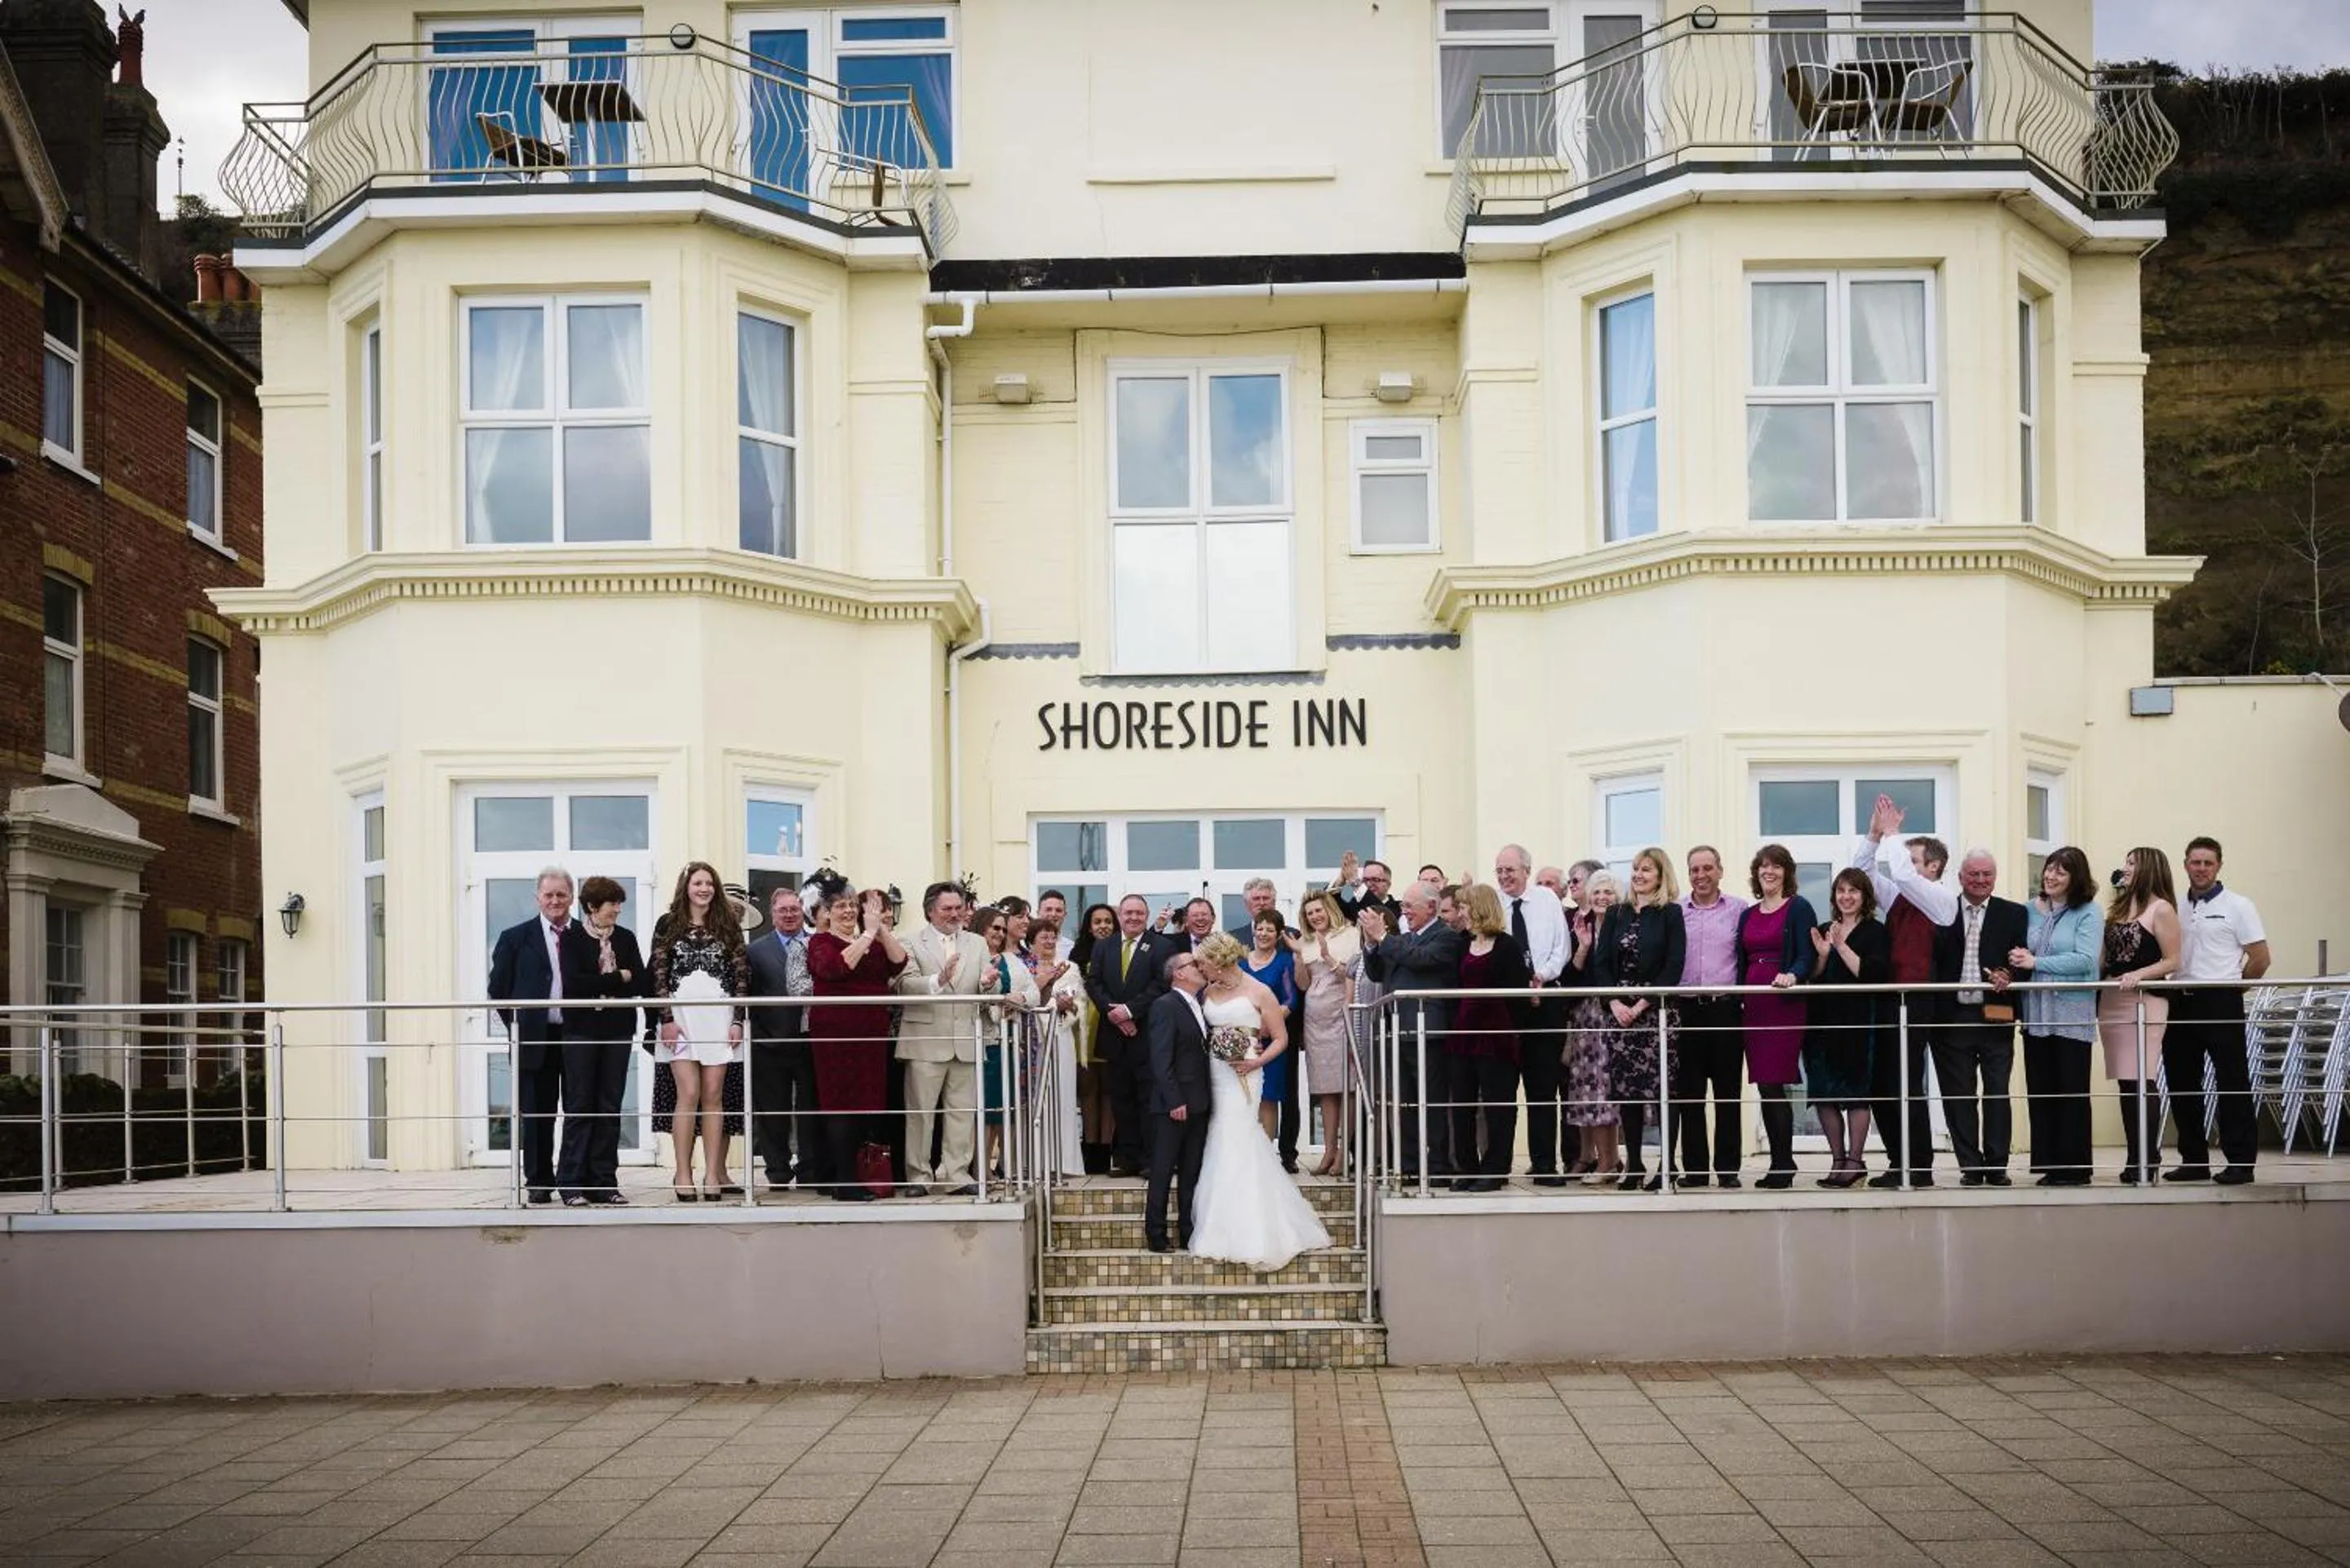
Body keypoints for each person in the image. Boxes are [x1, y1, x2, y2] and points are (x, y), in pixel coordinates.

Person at [1186, 933, 1332, 1269]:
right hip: (1214, 1071)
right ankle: (1220, 1218)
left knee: (1237, 1133)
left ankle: (1251, 1225)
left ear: (1219, 960)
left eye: (1203, 961)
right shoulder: (1208, 991)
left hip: (1247, 1073)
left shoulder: (1259, 991)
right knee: (1218, 1133)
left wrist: (1256, 1062)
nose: (1199, 967)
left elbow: (1281, 1038)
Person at [1851, 795, 1955, 1189]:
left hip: (1917, 999)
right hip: (1886, 999)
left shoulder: (1941, 900)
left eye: (1914, 861)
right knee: (1883, 1085)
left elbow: (1905, 878)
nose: (1905, 868)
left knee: (1908, 1084)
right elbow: (1862, 873)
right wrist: (1875, 835)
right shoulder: (1898, 898)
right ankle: (1899, 1161)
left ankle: (1919, 1166)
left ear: (1935, 867)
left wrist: (1894, 835)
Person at [2167, 836, 2270, 1185]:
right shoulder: (2173, 906)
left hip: (2220, 1000)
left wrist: (2234, 987)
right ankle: (2194, 1160)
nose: (2201, 869)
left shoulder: (2239, 905)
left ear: (2219, 866)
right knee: (2182, 1082)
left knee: (2232, 1081)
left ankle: (2241, 1161)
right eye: (2195, 862)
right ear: (2185, 865)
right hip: (2180, 1000)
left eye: (2208, 863)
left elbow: (2260, 958)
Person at [650, 862, 752, 1203]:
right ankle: (682, 1172)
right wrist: (664, 1018)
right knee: (689, 1093)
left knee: (713, 1094)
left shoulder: (727, 925)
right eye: (698, 883)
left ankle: (712, 1173)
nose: (704, 888)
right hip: (679, 1018)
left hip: (719, 1018)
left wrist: (738, 1020)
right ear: (686, 887)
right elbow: (658, 974)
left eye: (709, 883)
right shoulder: (668, 924)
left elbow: (741, 977)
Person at [1932, 850, 2029, 1186]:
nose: (1980, 880)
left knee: (1998, 1092)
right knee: (1959, 1096)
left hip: (1997, 1012)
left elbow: (2024, 960)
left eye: (1987, 874)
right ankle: (1971, 1167)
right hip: (1952, 1015)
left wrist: (2008, 973)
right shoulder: (1942, 909)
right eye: (1973, 874)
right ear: (1960, 877)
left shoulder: (2014, 913)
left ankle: (1997, 1164)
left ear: (1995, 877)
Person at [2008, 847, 2103, 1187]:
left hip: (2071, 1014)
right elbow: (2017, 951)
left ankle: (2075, 1168)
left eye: (2061, 872)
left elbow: (2086, 962)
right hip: (2036, 1014)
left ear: (2076, 878)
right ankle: (2050, 1165)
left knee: (2071, 1090)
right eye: (2049, 869)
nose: (2051, 876)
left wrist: (2036, 962)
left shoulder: (2089, 912)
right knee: (2042, 1090)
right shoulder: (2028, 910)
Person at [1360, 883, 1468, 1182]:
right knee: (1405, 1102)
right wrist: (1372, 944)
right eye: (1404, 906)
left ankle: (1436, 1166)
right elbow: (1378, 972)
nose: (1404, 911)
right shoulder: (1403, 938)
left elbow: (1421, 960)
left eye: (1410, 906)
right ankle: (1409, 1164)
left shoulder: (1445, 937)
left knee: (1430, 1102)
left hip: (1428, 1032)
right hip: (1397, 1029)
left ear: (1431, 908)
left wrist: (1383, 937)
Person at [1594, 848, 1687, 1193]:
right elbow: (1600, 964)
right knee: (1627, 1093)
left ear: (1661, 875)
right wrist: (1615, 1002)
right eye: (1635, 869)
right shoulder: (1616, 913)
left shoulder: (1671, 914)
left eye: (1646, 869)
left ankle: (1667, 1165)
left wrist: (1643, 1003)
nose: (1638, 875)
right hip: (1620, 1015)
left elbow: (1674, 966)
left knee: (1663, 1090)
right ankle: (1633, 1164)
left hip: (1657, 1012)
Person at [806, 887, 908, 1202]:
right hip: (837, 1035)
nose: (848, 911)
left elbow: (898, 962)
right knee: (841, 1106)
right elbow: (836, 968)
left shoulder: (872, 941)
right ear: (826, 913)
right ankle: (844, 1180)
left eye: (852, 905)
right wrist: (868, 935)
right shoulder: (820, 942)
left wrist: (881, 930)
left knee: (865, 1106)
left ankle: (859, 1176)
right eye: (840, 906)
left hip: (871, 1035)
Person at [895, 882, 994, 1197]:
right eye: (947, 908)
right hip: (925, 1038)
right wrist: (938, 980)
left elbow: (986, 986)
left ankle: (956, 1174)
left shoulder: (977, 943)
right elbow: (904, 985)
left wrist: (989, 983)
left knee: (962, 1113)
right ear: (930, 911)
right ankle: (919, 1177)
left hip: (966, 1037)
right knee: (920, 1114)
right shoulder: (909, 941)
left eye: (958, 908)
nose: (955, 914)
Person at [554, 875, 646, 1205]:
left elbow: (640, 980)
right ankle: (571, 1181)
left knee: (609, 1107)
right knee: (580, 1105)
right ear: (593, 906)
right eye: (613, 904)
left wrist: (612, 981)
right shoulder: (572, 938)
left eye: (621, 903)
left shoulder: (625, 938)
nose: (618, 910)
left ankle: (604, 1181)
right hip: (581, 1031)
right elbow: (574, 985)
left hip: (617, 1030)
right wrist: (615, 977)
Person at [486, 867, 574, 1204]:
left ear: (572, 898)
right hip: (534, 1038)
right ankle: (538, 1181)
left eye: (561, 895)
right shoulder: (514, 938)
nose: (555, 901)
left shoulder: (583, 935)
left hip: (576, 1037)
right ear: (538, 898)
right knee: (538, 1113)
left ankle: (573, 1177)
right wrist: (519, 1024)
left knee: (579, 1110)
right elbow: (498, 991)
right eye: (549, 895)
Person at [2100, 847, 2183, 1184]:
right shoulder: (2119, 906)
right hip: (2112, 999)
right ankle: (2135, 1156)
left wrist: (2141, 974)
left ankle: (2148, 1157)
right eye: (2126, 862)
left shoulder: (2161, 909)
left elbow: (2173, 960)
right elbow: (2106, 957)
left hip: (2145, 999)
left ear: (2148, 867)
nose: (2126, 868)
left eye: (2132, 863)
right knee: (2126, 1081)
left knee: (2141, 1078)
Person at [1802, 870, 1888, 1189]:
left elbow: (1872, 975)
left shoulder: (1875, 931)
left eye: (1853, 890)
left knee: (1855, 1093)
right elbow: (1813, 976)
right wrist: (1824, 955)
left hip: (1857, 1023)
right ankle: (1837, 1160)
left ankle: (1855, 1161)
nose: (1846, 896)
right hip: (1822, 1022)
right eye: (1841, 890)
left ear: (1864, 896)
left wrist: (1841, 948)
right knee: (1824, 1094)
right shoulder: (1826, 930)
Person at [1738, 845, 1817, 1189]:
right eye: (1763, 867)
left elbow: (1806, 953)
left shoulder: (1798, 907)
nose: (1768, 872)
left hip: (1782, 1000)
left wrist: (1793, 976)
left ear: (1787, 872)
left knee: (1775, 1082)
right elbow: (1741, 958)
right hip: (1753, 1004)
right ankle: (1781, 1161)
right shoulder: (1748, 913)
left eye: (1776, 867)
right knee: (1764, 1085)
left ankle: (1782, 1164)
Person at [1443, 884, 1531, 1193]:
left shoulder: (1507, 946)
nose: (1461, 912)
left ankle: (1495, 1168)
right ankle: (1466, 1168)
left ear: (1479, 907)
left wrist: (1510, 1030)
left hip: (1497, 1035)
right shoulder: (1461, 944)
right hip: (1463, 1035)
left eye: (1465, 906)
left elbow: (1518, 995)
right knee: (1462, 1105)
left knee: (1499, 1105)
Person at [1494, 844, 1570, 1187]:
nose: (1505, 877)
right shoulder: (1494, 902)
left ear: (1527, 869)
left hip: (1545, 1003)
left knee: (1543, 1088)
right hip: (1508, 1007)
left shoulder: (1547, 900)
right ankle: (1498, 1168)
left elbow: (1561, 947)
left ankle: (1544, 1166)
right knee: (1503, 1091)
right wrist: (1520, 985)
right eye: (1500, 871)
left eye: (1510, 870)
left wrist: (1541, 976)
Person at [1674, 846, 1749, 1188]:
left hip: (1725, 1009)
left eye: (1707, 868)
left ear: (1720, 870)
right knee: (1690, 1095)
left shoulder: (1738, 909)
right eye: (1694, 870)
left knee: (1727, 1093)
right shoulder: (1675, 912)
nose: (1700, 875)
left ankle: (1728, 1170)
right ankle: (1696, 1171)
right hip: (1686, 1009)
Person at [1084, 895, 1170, 1177]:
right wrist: (1114, 1014)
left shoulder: (1161, 946)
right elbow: (1094, 982)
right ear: (1120, 915)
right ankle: (1126, 1157)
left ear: (1147, 916)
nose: (1133, 917)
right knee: (1120, 1098)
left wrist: (1131, 1011)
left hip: (1145, 1035)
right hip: (1114, 1036)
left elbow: (1162, 984)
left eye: (1139, 913)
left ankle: (1149, 1159)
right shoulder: (1104, 946)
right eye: (1128, 912)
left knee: (1147, 1098)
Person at [747, 886, 821, 1193]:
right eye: (783, 910)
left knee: (809, 1111)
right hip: (769, 1042)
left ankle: (809, 1169)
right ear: (772, 913)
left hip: (809, 1041)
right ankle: (777, 1170)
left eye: (794, 909)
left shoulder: (816, 944)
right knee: (772, 1112)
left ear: (803, 911)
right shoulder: (754, 950)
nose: (789, 915)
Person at [1143, 951, 1215, 1252]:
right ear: (1178, 974)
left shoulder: (1198, 1005)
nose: (1200, 968)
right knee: (1163, 1169)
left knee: (1191, 1170)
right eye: (1193, 965)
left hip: (1199, 1101)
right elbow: (1161, 1059)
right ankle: (1156, 1234)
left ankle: (1188, 1231)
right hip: (1173, 1104)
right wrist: (1174, 1099)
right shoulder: (1165, 1006)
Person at [1290, 892, 1359, 1177]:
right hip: (1315, 1019)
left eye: (1318, 910)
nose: (1315, 916)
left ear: (1329, 909)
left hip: (1342, 1015)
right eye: (1309, 913)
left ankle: (1344, 1151)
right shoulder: (1305, 942)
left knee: (1347, 1087)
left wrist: (1328, 956)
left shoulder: (1352, 934)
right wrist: (1297, 955)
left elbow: (1352, 975)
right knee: (1325, 1089)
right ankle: (1328, 1150)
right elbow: (1304, 985)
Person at [1562, 870, 1621, 1183]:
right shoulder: (1584, 928)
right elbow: (1571, 980)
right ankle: (1604, 1159)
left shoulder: (1622, 927)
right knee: (1590, 1092)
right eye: (1596, 892)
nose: (1601, 898)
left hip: (1613, 1016)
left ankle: (1609, 1162)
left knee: (1606, 1092)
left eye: (1608, 892)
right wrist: (1583, 947)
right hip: (1586, 1018)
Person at [973, 906, 1036, 1181]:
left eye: (1002, 928)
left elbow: (1033, 991)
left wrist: (1018, 1000)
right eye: (994, 927)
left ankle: (1002, 1166)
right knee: (985, 1110)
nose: (998, 933)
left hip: (1008, 1044)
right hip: (981, 1043)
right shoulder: (969, 956)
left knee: (1003, 1109)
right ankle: (980, 1167)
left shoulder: (1011, 959)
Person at [1027, 919, 1089, 1177]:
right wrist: (1049, 1005)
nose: (1050, 942)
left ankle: (1064, 1163)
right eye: (1044, 937)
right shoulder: (1025, 967)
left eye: (1053, 937)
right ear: (1031, 941)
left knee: (1062, 1098)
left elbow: (1077, 1001)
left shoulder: (1069, 967)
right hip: (1030, 1039)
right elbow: (1025, 999)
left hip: (1060, 1038)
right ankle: (1033, 1163)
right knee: (1032, 1101)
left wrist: (1056, 1007)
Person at [1241, 909, 1298, 1144]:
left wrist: (1269, 1023)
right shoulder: (1241, 961)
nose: (1263, 933)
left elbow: (1290, 999)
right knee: (1245, 1096)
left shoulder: (1285, 961)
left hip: (1273, 1040)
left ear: (1278, 934)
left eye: (1270, 930)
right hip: (1244, 1039)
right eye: (1260, 928)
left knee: (1269, 1096)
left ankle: (1267, 1154)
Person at [1070, 901, 1119, 1173]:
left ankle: (1107, 1149)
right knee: (1089, 1090)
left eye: (1108, 921)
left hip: (1112, 1025)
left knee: (1110, 1090)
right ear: (1089, 926)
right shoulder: (1078, 956)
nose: (1103, 926)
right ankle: (1090, 1151)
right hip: (1084, 1028)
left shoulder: (1122, 953)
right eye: (1097, 921)